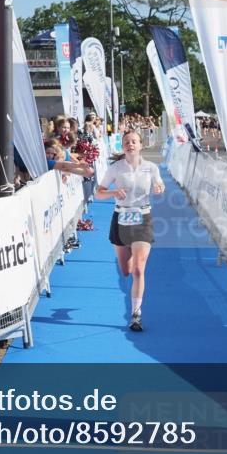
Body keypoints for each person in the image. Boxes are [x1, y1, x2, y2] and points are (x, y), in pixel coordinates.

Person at [96, 130, 164, 332]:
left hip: (142, 217)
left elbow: (159, 183)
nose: (130, 144)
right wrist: (112, 192)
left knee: (138, 270)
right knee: (126, 270)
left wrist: (159, 187)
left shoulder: (151, 168)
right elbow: (98, 194)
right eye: (126, 141)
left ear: (141, 145)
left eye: (134, 141)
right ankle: (132, 256)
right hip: (121, 218)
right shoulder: (115, 168)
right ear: (122, 146)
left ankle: (136, 314)